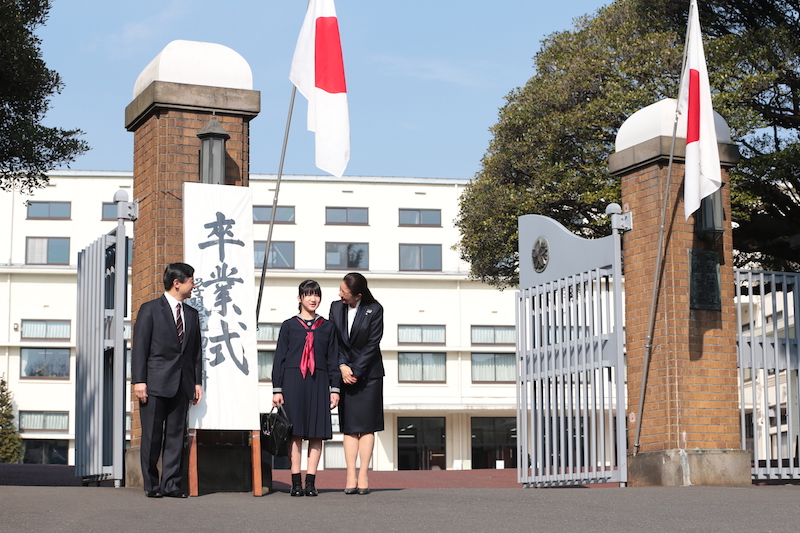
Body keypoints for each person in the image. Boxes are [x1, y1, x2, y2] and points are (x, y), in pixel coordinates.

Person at [131, 263, 203, 499]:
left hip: (182, 384)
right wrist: (139, 381)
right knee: (152, 436)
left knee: (175, 436)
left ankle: (171, 485)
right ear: (177, 283)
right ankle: (151, 485)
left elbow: (195, 353)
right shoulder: (150, 310)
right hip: (154, 384)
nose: (194, 285)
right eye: (191, 280)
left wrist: (197, 382)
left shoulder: (191, 314)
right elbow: (140, 348)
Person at [272, 280, 341, 497]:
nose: (313, 299)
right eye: (308, 295)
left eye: (316, 295)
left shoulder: (328, 327)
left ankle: (310, 482)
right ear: (300, 298)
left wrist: (335, 388)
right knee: (295, 433)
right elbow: (279, 358)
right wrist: (277, 389)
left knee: (316, 433)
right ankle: (295, 482)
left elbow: (333, 359)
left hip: (319, 381)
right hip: (293, 380)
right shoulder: (289, 325)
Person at [329, 272, 384, 495]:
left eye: (345, 292)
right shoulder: (335, 307)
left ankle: (364, 474)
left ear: (358, 295)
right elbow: (334, 340)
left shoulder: (375, 309)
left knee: (367, 426)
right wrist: (343, 366)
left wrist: (357, 370)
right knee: (350, 427)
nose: (340, 294)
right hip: (345, 373)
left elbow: (373, 343)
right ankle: (350, 473)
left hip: (369, 374)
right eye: (340, 289)